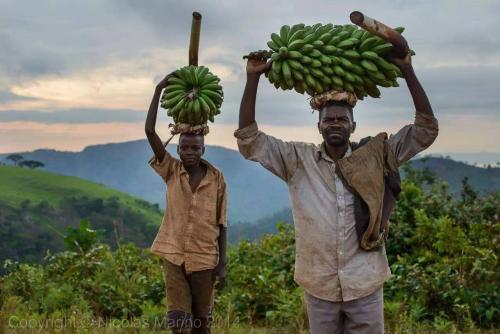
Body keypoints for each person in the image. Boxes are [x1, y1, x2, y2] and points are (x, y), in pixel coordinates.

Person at [235, 45, 438, 333]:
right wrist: (253, 78)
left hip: (365, 284)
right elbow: (249, 141)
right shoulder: (297, 161)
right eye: (328, 119)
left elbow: (425, 131)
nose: (335, 124)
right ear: (318, 125)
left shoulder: (375, 156)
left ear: (353, 125)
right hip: (319, 287)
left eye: (342, 119)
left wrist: (407, 70)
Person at [145, 72, 228, 334]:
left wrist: (222, 262)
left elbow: (222, 222)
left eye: (194, 148)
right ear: (178, 149)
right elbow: (149, 131)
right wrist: (158, 89)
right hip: (174, 256)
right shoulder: (171, 170)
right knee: (179, 323)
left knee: (202, 324)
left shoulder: (216, 179)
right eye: (184, 148)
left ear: (203, 149)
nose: (189, 153)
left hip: (205, 258)